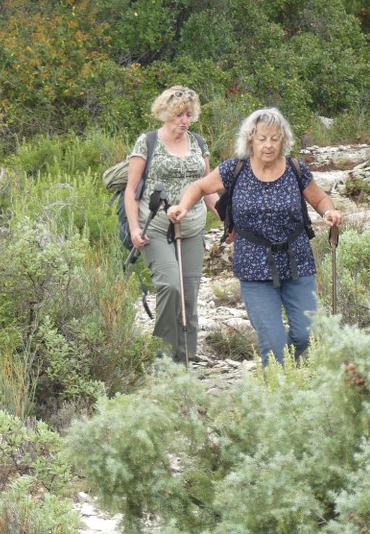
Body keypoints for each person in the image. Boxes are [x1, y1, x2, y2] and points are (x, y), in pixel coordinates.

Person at [167, 107, 343, 366]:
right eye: (262, 139)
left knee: (308, 334)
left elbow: (319, 198)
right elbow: (199, 186)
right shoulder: (234, 169)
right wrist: (183, 206)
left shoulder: (296, 168)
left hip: (298, 262)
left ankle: (288, 375)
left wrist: (330, 212)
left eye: (274, 138)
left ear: (283, 140)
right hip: (253, 266)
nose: (268, 145)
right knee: (273, 344)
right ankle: (278, 390)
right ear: (250, 139)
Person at [125, 86, 219, 362]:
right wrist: (133, 229)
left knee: (189, 293)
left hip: (191, 228)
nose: (185, 120)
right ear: (165, 113)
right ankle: (164, 356)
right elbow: (131, 191)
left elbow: (207, 187)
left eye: (189, 114)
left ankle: (186, 357)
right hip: (154, 227)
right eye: (179, 114)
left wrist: (226, 217)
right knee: (169, 286)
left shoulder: (198, 143)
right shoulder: (148, 142)